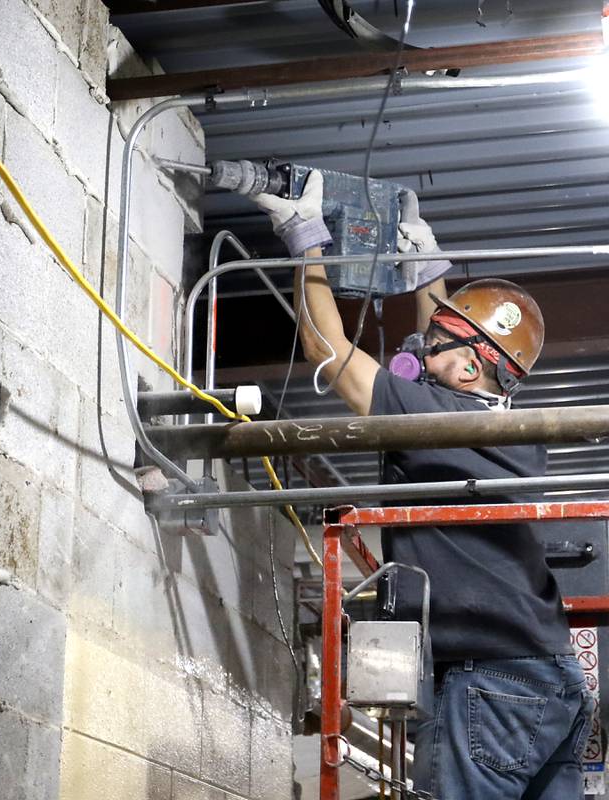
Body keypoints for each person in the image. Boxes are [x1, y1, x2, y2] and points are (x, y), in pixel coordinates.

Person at [250, 172, 595, 799]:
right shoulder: (506, 430)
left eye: (437, 341)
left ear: (469, 366)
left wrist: (306, 242)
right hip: (550, 681)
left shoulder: (438, 420)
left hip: (488, 684)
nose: (420, 341)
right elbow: (447, 352)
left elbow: (332, 356)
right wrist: (426, 266)